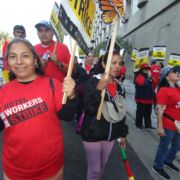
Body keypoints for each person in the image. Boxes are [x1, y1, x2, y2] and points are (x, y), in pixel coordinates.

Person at [0, 38, 78, 180]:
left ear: (35, 61)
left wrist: (72, 96)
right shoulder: (2, 91)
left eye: (25, 55)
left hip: (50, 168)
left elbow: (67, 115)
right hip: (14, 170)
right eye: (13, 56)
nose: (19, 61)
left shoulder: (52, 84)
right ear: (8, 63)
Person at [81, 51, 128, 180]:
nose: (117, 67)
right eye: (113, 63)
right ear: (103, 63)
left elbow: (121, 111)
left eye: (119, 63)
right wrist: (98, 90)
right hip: (92, 132)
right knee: (94, 170)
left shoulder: (120, 87)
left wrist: (123, 134)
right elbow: (89, 109)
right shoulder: (93, 82)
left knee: (102, 165)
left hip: (110, 134)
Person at [152, 66, 180, 180]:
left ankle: (167, 161)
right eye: (174, 72)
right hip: (168, 123)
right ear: (167, 76)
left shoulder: (178, 89)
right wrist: (160, 127)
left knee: (177, 145)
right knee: (164, 146)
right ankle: (157, 166)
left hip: (178, 123)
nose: (178, 73)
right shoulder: (163, 90)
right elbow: (160, 110)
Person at [72, 51, 96, 133]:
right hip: (81, 93)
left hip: (92, 93)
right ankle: (79, 127)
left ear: (93, 58)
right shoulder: (79, 66)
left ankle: (89, 126)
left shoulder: (96, 67)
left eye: (92, 56)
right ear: (86, 58)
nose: (90, 58)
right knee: (80, 109)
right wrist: (76, 85)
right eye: (88, 56)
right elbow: (74, 77)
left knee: (90, 109)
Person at [135, 64, 156, 131]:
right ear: (142, 69)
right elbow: (143, 84)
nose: (147, 70)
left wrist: (152, 80)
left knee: (148, 112)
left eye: (148, 69)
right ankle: (138, 125)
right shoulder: (139, 76)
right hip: (142, 98)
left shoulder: (148, 76)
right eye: (145, 69)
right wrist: (149, 78)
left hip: (149, 97)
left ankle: (148, 125)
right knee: (140, 112)